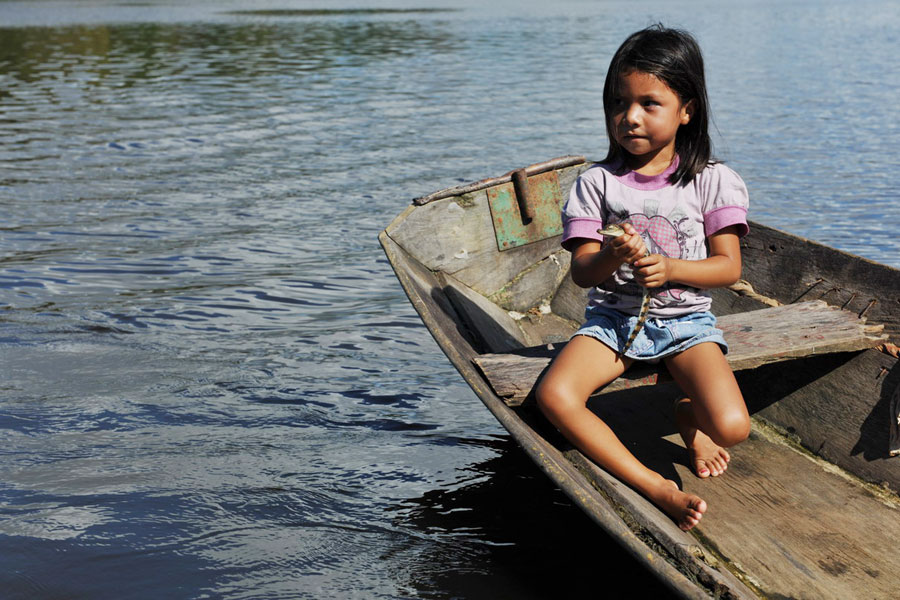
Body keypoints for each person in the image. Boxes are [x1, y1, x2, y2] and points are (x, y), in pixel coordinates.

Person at [535, 25, 751, 531]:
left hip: (687, 324)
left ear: (687, 109)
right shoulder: (596, 184)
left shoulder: (711, 180)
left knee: (733, 428)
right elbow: (584, 274)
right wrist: (613, 255)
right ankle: (654, 486)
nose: (629, 117)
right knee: (554, 397)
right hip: (614, 321)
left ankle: (688, 416)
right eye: (619, 102)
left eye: (649, 103)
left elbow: (729, 267)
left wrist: (671, 268)